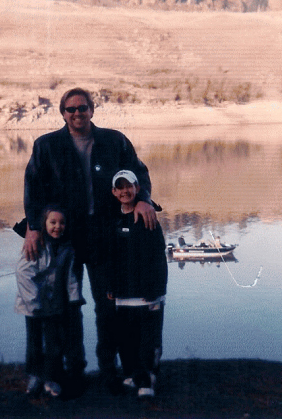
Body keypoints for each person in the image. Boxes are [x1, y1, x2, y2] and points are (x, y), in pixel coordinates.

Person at [22, 87, 157, 392]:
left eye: (83, 108)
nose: (77, 113)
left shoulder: (115, 140)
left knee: (107, 306)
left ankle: (110, 371)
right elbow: (33, 188)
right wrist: (33, 226)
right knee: (66, 308)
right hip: (63, 240)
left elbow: (138, 173)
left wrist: (144, 199)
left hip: (104, 238)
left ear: (92, 110)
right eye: (71, 109)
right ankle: (74, 371)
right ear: (63, 113)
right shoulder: (46, 146)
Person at [14, 205, 85, 398]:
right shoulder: (35, 244)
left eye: (61, 223)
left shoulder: (68, 248)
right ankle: (35, 375)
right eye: (52, 222)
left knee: (54, 342)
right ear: (44, 224)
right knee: (35, 341)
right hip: (33, 305)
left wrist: (74, 298)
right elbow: (23, 273)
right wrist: (33, 302)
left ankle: (51, 377)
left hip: (54, 304)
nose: (57, 227)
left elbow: (71, 277)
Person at [108, 170, 168, 398]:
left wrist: (156, 289)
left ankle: (147, 380)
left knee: (149, 341)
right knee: (127, 339)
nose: (125, 191)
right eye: (120, 187)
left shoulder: (148, 217)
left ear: (138, 188)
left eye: (129, 186)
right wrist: (112, 286)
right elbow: (112, 258)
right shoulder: (114, 221)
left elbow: (158, 257)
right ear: (114, 192)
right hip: (124, 294)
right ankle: (133, 374)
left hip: (148, 294)